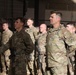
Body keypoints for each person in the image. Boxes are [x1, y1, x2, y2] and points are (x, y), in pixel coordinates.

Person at [46, 11, 76, 75]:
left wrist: (65, 54)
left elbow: (73, 45)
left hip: (59, 64)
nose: (49, 18)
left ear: (58, 19)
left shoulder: (63, 31)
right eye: (50, 17)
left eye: (52, 17)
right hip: (49, 63)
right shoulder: (50, 31)